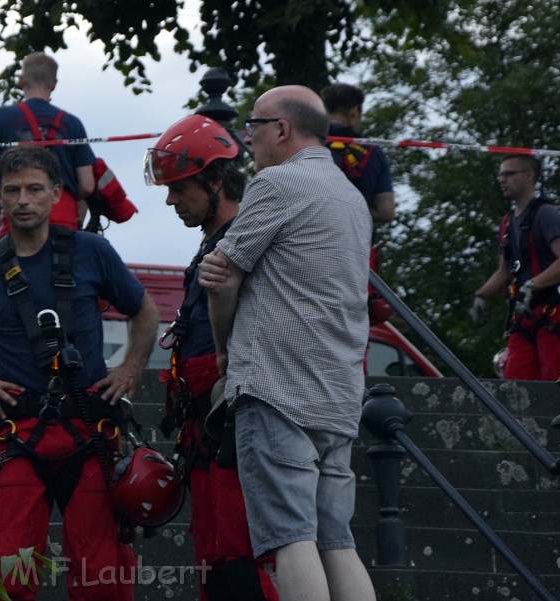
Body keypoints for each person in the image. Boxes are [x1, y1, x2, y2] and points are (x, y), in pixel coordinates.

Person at [0, 146, 158, 600]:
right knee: (6, 572)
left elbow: (144, 309)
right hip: (21, 435)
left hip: (91, 431)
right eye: (12, 190)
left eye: (35, 189)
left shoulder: (93, 252)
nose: (23, 200)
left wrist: (131, 369)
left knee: (101, 575)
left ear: (56, 193)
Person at [198, 86, 376, 601]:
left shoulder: (276, 183)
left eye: (253, 125)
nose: (246, 138)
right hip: (338, 389)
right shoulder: (351, 197)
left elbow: (224, 275)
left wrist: (225, 351)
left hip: (277, 386)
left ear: (281, 129)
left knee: (291, 539)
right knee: (336, 541)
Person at [144, 114, 279, 601]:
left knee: (238, 562)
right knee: (217, 563)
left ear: (216, 181)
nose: (170, 199)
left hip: (232, 424)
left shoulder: (245, 242)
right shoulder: (213, 246)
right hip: (206, 429)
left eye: (180, 188)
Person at [470, 154, 560, 380]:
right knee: (516, 381)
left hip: (551, 312)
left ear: (528, 176)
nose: (502, 179)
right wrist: (480, 295)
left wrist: (533, 284)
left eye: (509, 174)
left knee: (556, 380)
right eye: (500, 174)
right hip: (524, 316)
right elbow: (504, 272)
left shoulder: (546, 214)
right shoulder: (507, 222)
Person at [0, 52, 96, 233]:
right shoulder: (72, 124)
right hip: (63, 219)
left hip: (17, 218)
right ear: (54, 84)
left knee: (11, 260)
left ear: (21, 81)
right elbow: (87, 185)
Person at [320, 83, 395, 223]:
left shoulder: (305, 141)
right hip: (356, 241)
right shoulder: (373, 152)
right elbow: (386, 212)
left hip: (307, 238)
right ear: (354, 111)